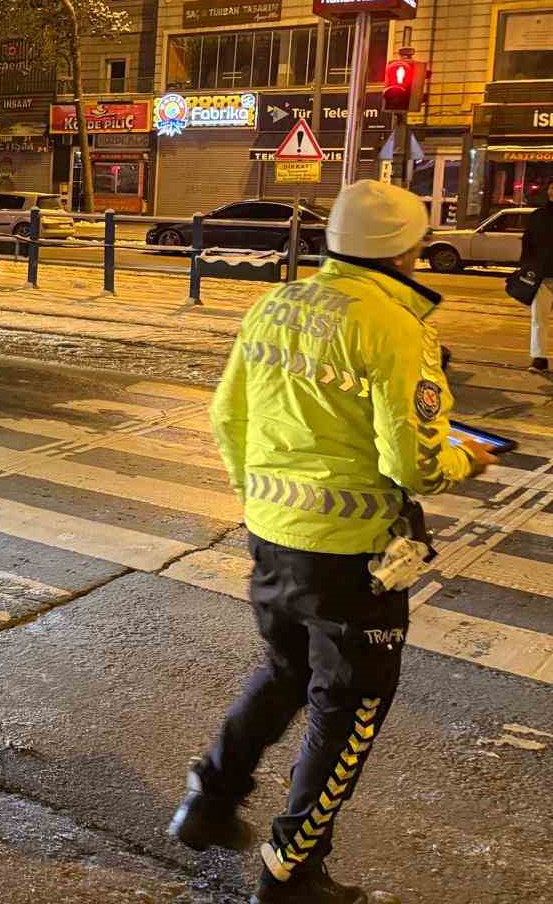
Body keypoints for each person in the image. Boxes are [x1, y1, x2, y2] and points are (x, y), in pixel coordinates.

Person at [168, 180, 495, 904]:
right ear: (407, 250)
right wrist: (465, 458)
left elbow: (228, 418)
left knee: (284, 669)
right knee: (349, 706)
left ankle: (209, 800)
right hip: (352, 554)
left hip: (273, 536)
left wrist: (262, 502)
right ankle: (291, 871)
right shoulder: (394, 326)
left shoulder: (275, 303)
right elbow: (412, 464)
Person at [519, 186, 553, 372]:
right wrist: (526, 267)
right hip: (541, 276)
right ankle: (539, 358)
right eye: (552, 188)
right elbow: (527, 242)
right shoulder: (538, 216)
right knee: (539, 320)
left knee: (539, 319)